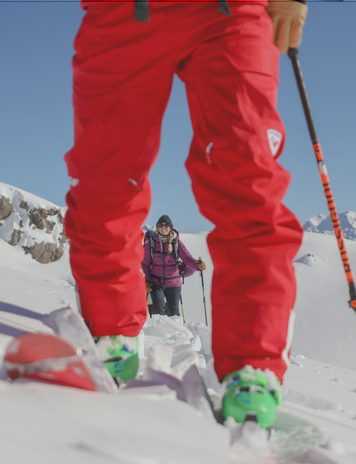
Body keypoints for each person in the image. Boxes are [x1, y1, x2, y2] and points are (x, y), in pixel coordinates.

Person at [64, 0, 307, 427]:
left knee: (248, 174)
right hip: (120, 11)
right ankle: (110, 332)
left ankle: (254, 364)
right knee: (107, 178)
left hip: (230, 10)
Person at [143, 215, 206, 318]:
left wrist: (197, 265)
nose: (164, 228)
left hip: (173, 284)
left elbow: (187, 258)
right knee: (158, 310)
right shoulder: (151, 244)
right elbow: (145, 264)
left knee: (174, 314)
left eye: (166, 225)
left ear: (170, 227)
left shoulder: (177, 243)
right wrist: (147, 281)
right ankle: (159, 333)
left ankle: (175, 333)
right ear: (157, 227)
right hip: (156, 284)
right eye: (161, 225)